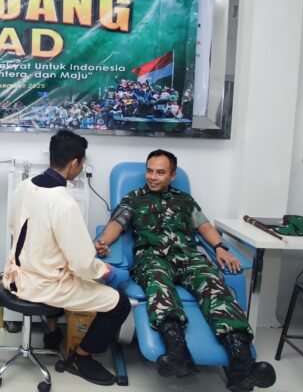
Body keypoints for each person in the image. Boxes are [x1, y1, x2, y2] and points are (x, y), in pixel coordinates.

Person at [95, 149, 276, 392]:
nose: (153, 177)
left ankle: (241, 364)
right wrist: (104, 242)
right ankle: (177, 353)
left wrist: (220, 248)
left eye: (160, 172)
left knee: (214, 286)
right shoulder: (134, 198)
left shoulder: (184, 200)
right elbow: (115, 224)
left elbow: (204, 226)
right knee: (159, 286)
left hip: (189, 258)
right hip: (152, 258)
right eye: (149, 171)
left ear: (172, 175)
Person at [3, 129, 131, 386]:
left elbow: (17, 229)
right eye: (81, 163)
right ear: (74, 163)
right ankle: (81, 358)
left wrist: (77, 253)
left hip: (14, 276)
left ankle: (52, 332)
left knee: (64, 270)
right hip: (44, 286)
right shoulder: (64, 203)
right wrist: (106, 271)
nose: (81, 168)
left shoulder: (25, 186)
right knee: (119, 304)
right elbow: (83, 265)